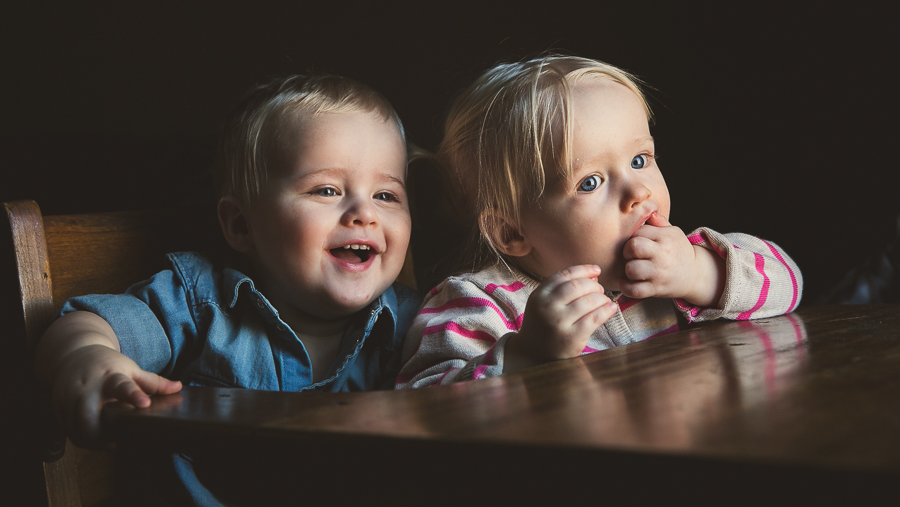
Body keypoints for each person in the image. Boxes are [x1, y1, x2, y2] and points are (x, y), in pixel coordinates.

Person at [35, 74, 420, 504]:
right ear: (241, 225)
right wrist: (87, 356)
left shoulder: (416, 326)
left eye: (386, 195)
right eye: (326, 189)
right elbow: (85, 323)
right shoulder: (202, 302)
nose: (364, 213)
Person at [396, 55, 802, 388]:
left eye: (640, 160)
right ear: (512, 232)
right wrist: (525, 354)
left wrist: (701, 274)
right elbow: (426, 402)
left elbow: (790, 282)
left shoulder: (680, 264)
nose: (638, 192)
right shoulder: (480, 304)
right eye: (590, 182)